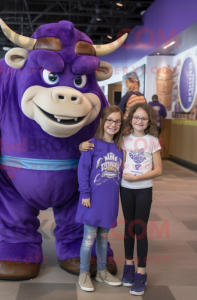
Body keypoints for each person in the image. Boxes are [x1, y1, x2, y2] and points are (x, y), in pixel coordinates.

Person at [76, 106, 124, 292]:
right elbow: (83, 171)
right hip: (92, 200)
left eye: (117, 121)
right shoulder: (91, 145)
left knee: (103, 238)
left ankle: (102, 272)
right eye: (110, 120)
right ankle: (84, 273)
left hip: (110, 202)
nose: (113, 124)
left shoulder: (120, 148)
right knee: (89, 239)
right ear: (103, 122)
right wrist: (85, 194)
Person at [120, 102, 162, 296]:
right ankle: (128, 265)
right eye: (136, 117)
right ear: (131, 119)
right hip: (125, 189)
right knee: (128, 227)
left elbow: (158, 170)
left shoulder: (152, 140)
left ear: (149, 121)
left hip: (144, 189)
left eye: (144, 118)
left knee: (140, 228)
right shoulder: (124, 139)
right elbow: (120, 162)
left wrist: (137, 178)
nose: (139, 121)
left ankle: (141, 272)